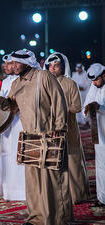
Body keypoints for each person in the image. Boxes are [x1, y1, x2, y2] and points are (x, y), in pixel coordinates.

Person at [0, 49, 72, 225]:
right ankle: (36, 218)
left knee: (53, 180)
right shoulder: (16, 84)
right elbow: (11, 106)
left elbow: (59, 101)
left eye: (16, 62)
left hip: (50, 134)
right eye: (12, 63)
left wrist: (59, 126)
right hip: (30, 136)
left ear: (27, 62)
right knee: (33, 181)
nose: (14, 66)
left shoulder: (44, 76)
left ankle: (59, 219)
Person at [44, 52, 90, 205]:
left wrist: (59, 109)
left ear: (63, 67)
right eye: (50, 66)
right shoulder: (45, 84)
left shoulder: (70, 84)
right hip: (50, 129)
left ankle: (77, 195)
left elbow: (77, 107)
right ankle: (57, 196)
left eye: (56, 66)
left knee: (72, 160)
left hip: (68, 128)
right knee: (52, 161)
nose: (53, 69)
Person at [0, 54, 25, 201]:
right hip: (6, 126)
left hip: (20, 124)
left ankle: (22, 191)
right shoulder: (4, 82)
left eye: (8, 64)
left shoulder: (23, 81)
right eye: (5, 65)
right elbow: (0, 102)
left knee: (19, 155)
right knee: (7, 156)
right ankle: (9, 191)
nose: (6, 67)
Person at [83, 63, 105, 206]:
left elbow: (100, 105)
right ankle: (102, 198)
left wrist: (100, 106)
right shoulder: (94, 86)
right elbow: (86, 106)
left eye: (96, 80)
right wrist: (87, 109)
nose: (94, 83)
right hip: (100, 135)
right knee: (101, 166)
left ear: (104, 75)